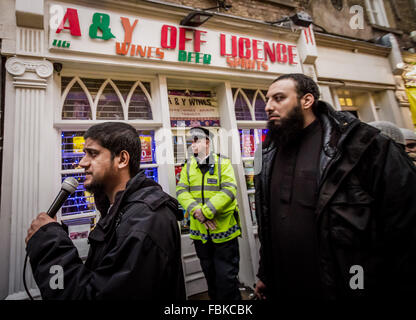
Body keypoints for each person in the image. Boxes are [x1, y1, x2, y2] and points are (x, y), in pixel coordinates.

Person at [254, 73, 416, 300]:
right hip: (285, 284)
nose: (268, 106)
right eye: (267, 100)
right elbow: (267, 220)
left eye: (278, 98)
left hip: (346, 285)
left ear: (307, 101)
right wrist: (266, 273)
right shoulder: (267, 153)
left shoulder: (361, 144)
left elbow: (405, 225)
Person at [25, 122, 186, 300]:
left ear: (122, 159)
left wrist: (50, 243)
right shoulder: (115, 208)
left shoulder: (146, 221)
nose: (82, 162)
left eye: (93, 154)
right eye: (84, 153)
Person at [176, 127, 241, 300]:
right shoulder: (188, 166)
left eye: (196, 141)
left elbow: (229, 190)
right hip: (201, 236)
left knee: (227, 280)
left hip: (224, 234)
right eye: (191, 142)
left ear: (207, 142)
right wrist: (197, 212)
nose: (193, 145)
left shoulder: (223, 163)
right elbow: (181, 190)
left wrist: (206, 212)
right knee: (210, 278)